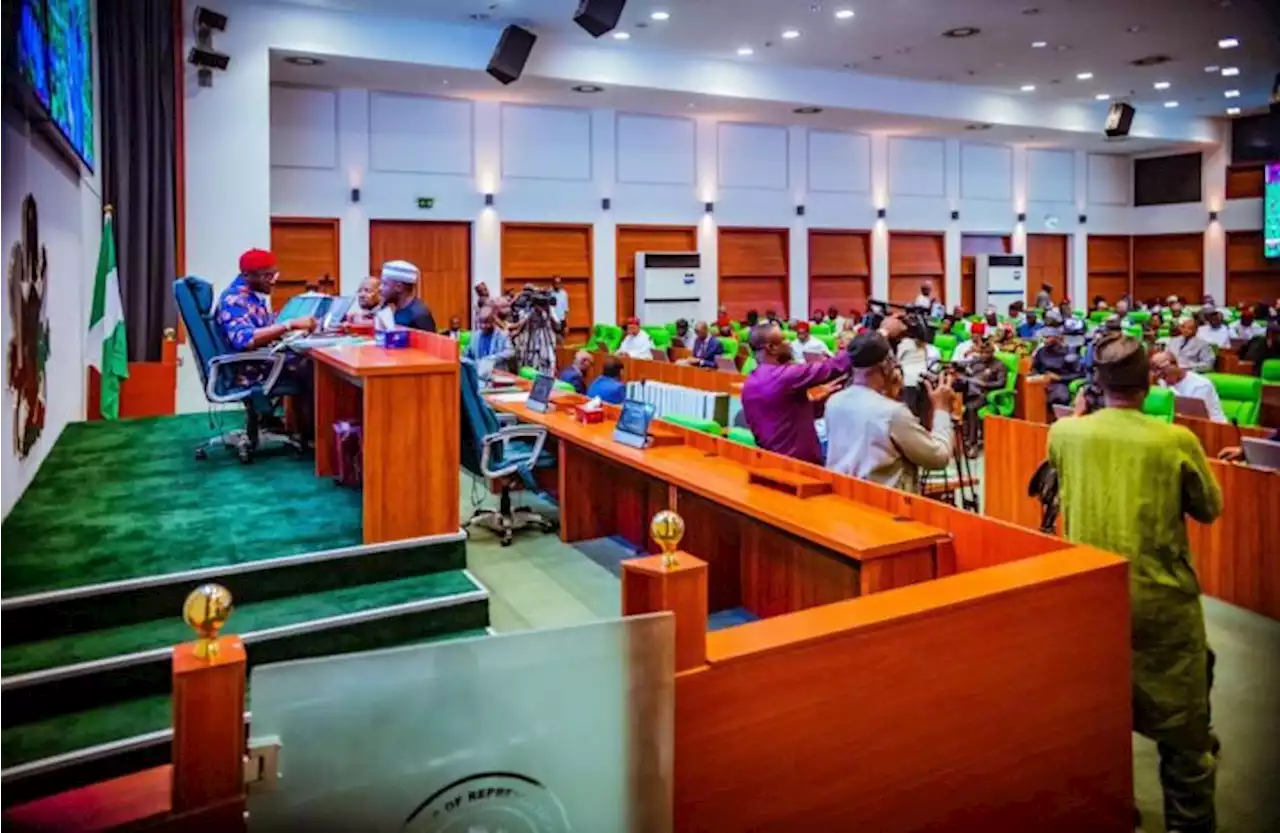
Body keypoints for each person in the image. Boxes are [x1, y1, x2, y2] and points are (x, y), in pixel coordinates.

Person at [1048, 335, 1222, 833]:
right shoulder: (1175, 441)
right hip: (1162, 603)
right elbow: (1209, 509)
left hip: (1090, 600)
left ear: (1096, 383)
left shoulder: (1064, 434)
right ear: (1150, 382)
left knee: (1096, 720)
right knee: (1186, 741)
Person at [825, 333, 954, 491]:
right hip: (884, 505)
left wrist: (892, 396)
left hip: (844, 495)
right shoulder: (892, 413)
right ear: (886, 366)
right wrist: (942, 409)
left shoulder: (834, 402)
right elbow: (938, 458)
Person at [216, 248, 316, 439]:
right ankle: (312, 437)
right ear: (247, 275)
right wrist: (289, 324)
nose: (273, 279)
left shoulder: (251, 297)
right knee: (312, 367)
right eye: (267, 275)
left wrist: (290, 323)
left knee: (307, 361)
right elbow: (246, 339)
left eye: (274, 273)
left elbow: (264, 326)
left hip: (257, 363)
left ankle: (285, 424)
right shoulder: (235, 300)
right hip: (248, 370)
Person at [741, 324, 853, 465]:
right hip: (798, 466)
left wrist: (814, 401)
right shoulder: (782, 376)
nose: (789, 342)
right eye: (784, 339)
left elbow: (783, 418)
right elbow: (832, 367)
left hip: (770, 462)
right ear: (771, 348)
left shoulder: (751, 382)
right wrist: (871, 341)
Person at [955, 337, 1007, 449]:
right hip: (969, 390)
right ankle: (961, 438)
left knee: (971, 408)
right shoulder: (976, 360)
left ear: (992, 353)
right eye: (982, 353)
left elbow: (1001, 383)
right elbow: (963, 365)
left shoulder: (999, 365)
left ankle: (972, 442)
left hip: (985, 393)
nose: (983, 355)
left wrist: (985, 384)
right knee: (955, 402)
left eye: (986, 353)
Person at [1150, 350, 1226, 423]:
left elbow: (1191, 414)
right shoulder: (1162, 381)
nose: (1158, 374)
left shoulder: (1201, 385)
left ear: (1175, 365)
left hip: (1214, 428)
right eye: (1155, 370)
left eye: (1160, 368)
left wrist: (1169, 389)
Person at [1032, 325, 1085, 413]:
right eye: (1044, 337)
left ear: (1057, 338)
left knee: (1060, 395)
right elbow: (1035, 367)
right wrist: (1037, 375)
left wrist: (1059, 377)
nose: (1045, 340)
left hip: (1061, 382)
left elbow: (1080, 373)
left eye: (1048, 337)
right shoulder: (1041, 351)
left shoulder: (1070, 352)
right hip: (1042, 381)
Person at [377, 260, 436, 331]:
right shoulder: (392, 309)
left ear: (399, 287)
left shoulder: (419, 316)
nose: (380, 288)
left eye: (384, 284)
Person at [462, 310, 515, 378]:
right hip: (477, 374)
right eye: (481, 322)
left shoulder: (502, 335)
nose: (483, 326)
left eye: (487, 323)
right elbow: (466, 354)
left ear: (493, 321)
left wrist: (492, 358)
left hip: (497, 375)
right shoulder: (474, 336)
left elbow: (510, 352)